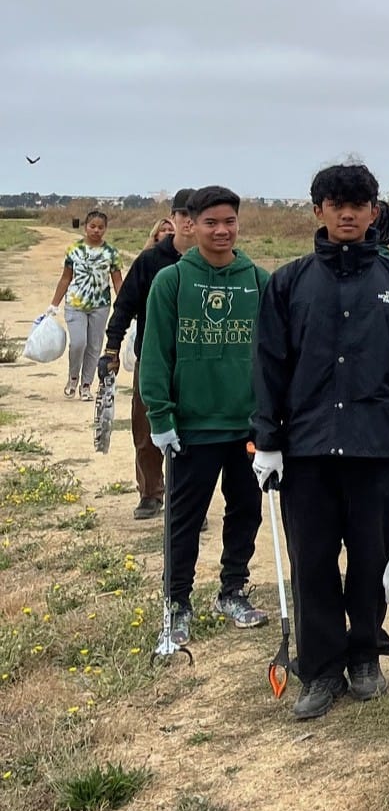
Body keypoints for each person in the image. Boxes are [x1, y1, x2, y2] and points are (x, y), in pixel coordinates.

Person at [253, 164, 389, 720]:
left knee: (371, 558)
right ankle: (320, 669)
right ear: (317, 210)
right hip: (307, 450)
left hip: (376, 446)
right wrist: (266, 440)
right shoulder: (289, 283)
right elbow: (269, 364)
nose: (347, 214)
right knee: (313, 561)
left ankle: (365, 654)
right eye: (336, 205)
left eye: (357, 205)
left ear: (373, 212)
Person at [138, 185, 270, 644]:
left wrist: (272, 417)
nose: (221, 230)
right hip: (192, 427)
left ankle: (233, 590)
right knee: (185, 519)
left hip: (246, 425)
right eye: (211, 222)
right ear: (190, 225)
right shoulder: (171, 281)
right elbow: (155, 354)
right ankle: (177, 603)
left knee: (246, 511)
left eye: (229, 221)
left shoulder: (258, 280)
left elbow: (274, 355)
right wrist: (160, 417)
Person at [102, 188, 195, 520]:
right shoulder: (150, 261)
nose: (189, 221)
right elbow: (124, 306)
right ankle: (151, 493)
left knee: (191, 433)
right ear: (173, 217)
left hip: (196, 363)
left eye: (195, 215)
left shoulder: (210, 263)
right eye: (183, 214)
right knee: (146, 429)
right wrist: (111, 349)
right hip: (152, 359)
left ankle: (186, 501)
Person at [48, 209, 123, 401]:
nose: (96, 230)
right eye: (93, 226)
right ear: (85, 227)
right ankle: (73, 377)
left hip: (100, 305)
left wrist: (125, 305)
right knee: (78, 343)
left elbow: (117, 281)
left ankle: (86, 385)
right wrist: (54, 304)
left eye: (100, 227)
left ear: (105, 229)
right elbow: (66, 278)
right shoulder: (74, 250)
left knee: (94, 346)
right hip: (76, 303)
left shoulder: (111, 253)